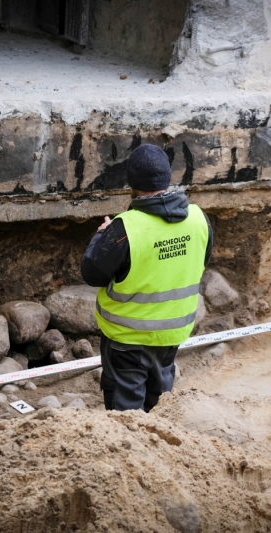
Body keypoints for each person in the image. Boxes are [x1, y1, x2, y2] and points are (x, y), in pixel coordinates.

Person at [80, 144, 213, 412]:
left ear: (131, 181)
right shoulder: (200, 220)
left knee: (127, 419)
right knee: (158, 405)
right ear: (167, 177)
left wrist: (102, 235)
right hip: (170, 337)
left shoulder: (123, 229)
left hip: (127, 342)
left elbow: (92, 273)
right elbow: (200, 261)